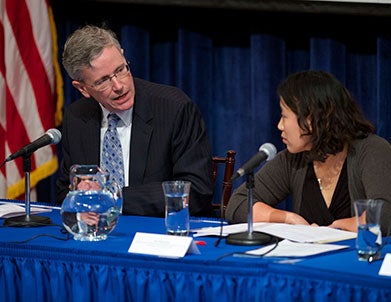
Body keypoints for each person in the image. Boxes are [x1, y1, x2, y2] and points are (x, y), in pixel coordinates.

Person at [56, 24, 214, 217]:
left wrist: (113, 198)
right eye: (102, 81)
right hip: (97, 234)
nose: (119, 85)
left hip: (157, 233)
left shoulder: (174, 109)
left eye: (121, 69)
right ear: (82, 88)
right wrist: (79, 197)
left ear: (123, 55)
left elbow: (196, 191)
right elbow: (66, 190)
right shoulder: (77, 117)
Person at [225, 70, 391, 233]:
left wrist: (335, 229)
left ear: (311, 119)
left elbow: (384, 216)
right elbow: (238, 204)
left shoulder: (372, 150)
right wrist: (287, 218)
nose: (279, 126)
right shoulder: (293, 159)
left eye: (284, 116)